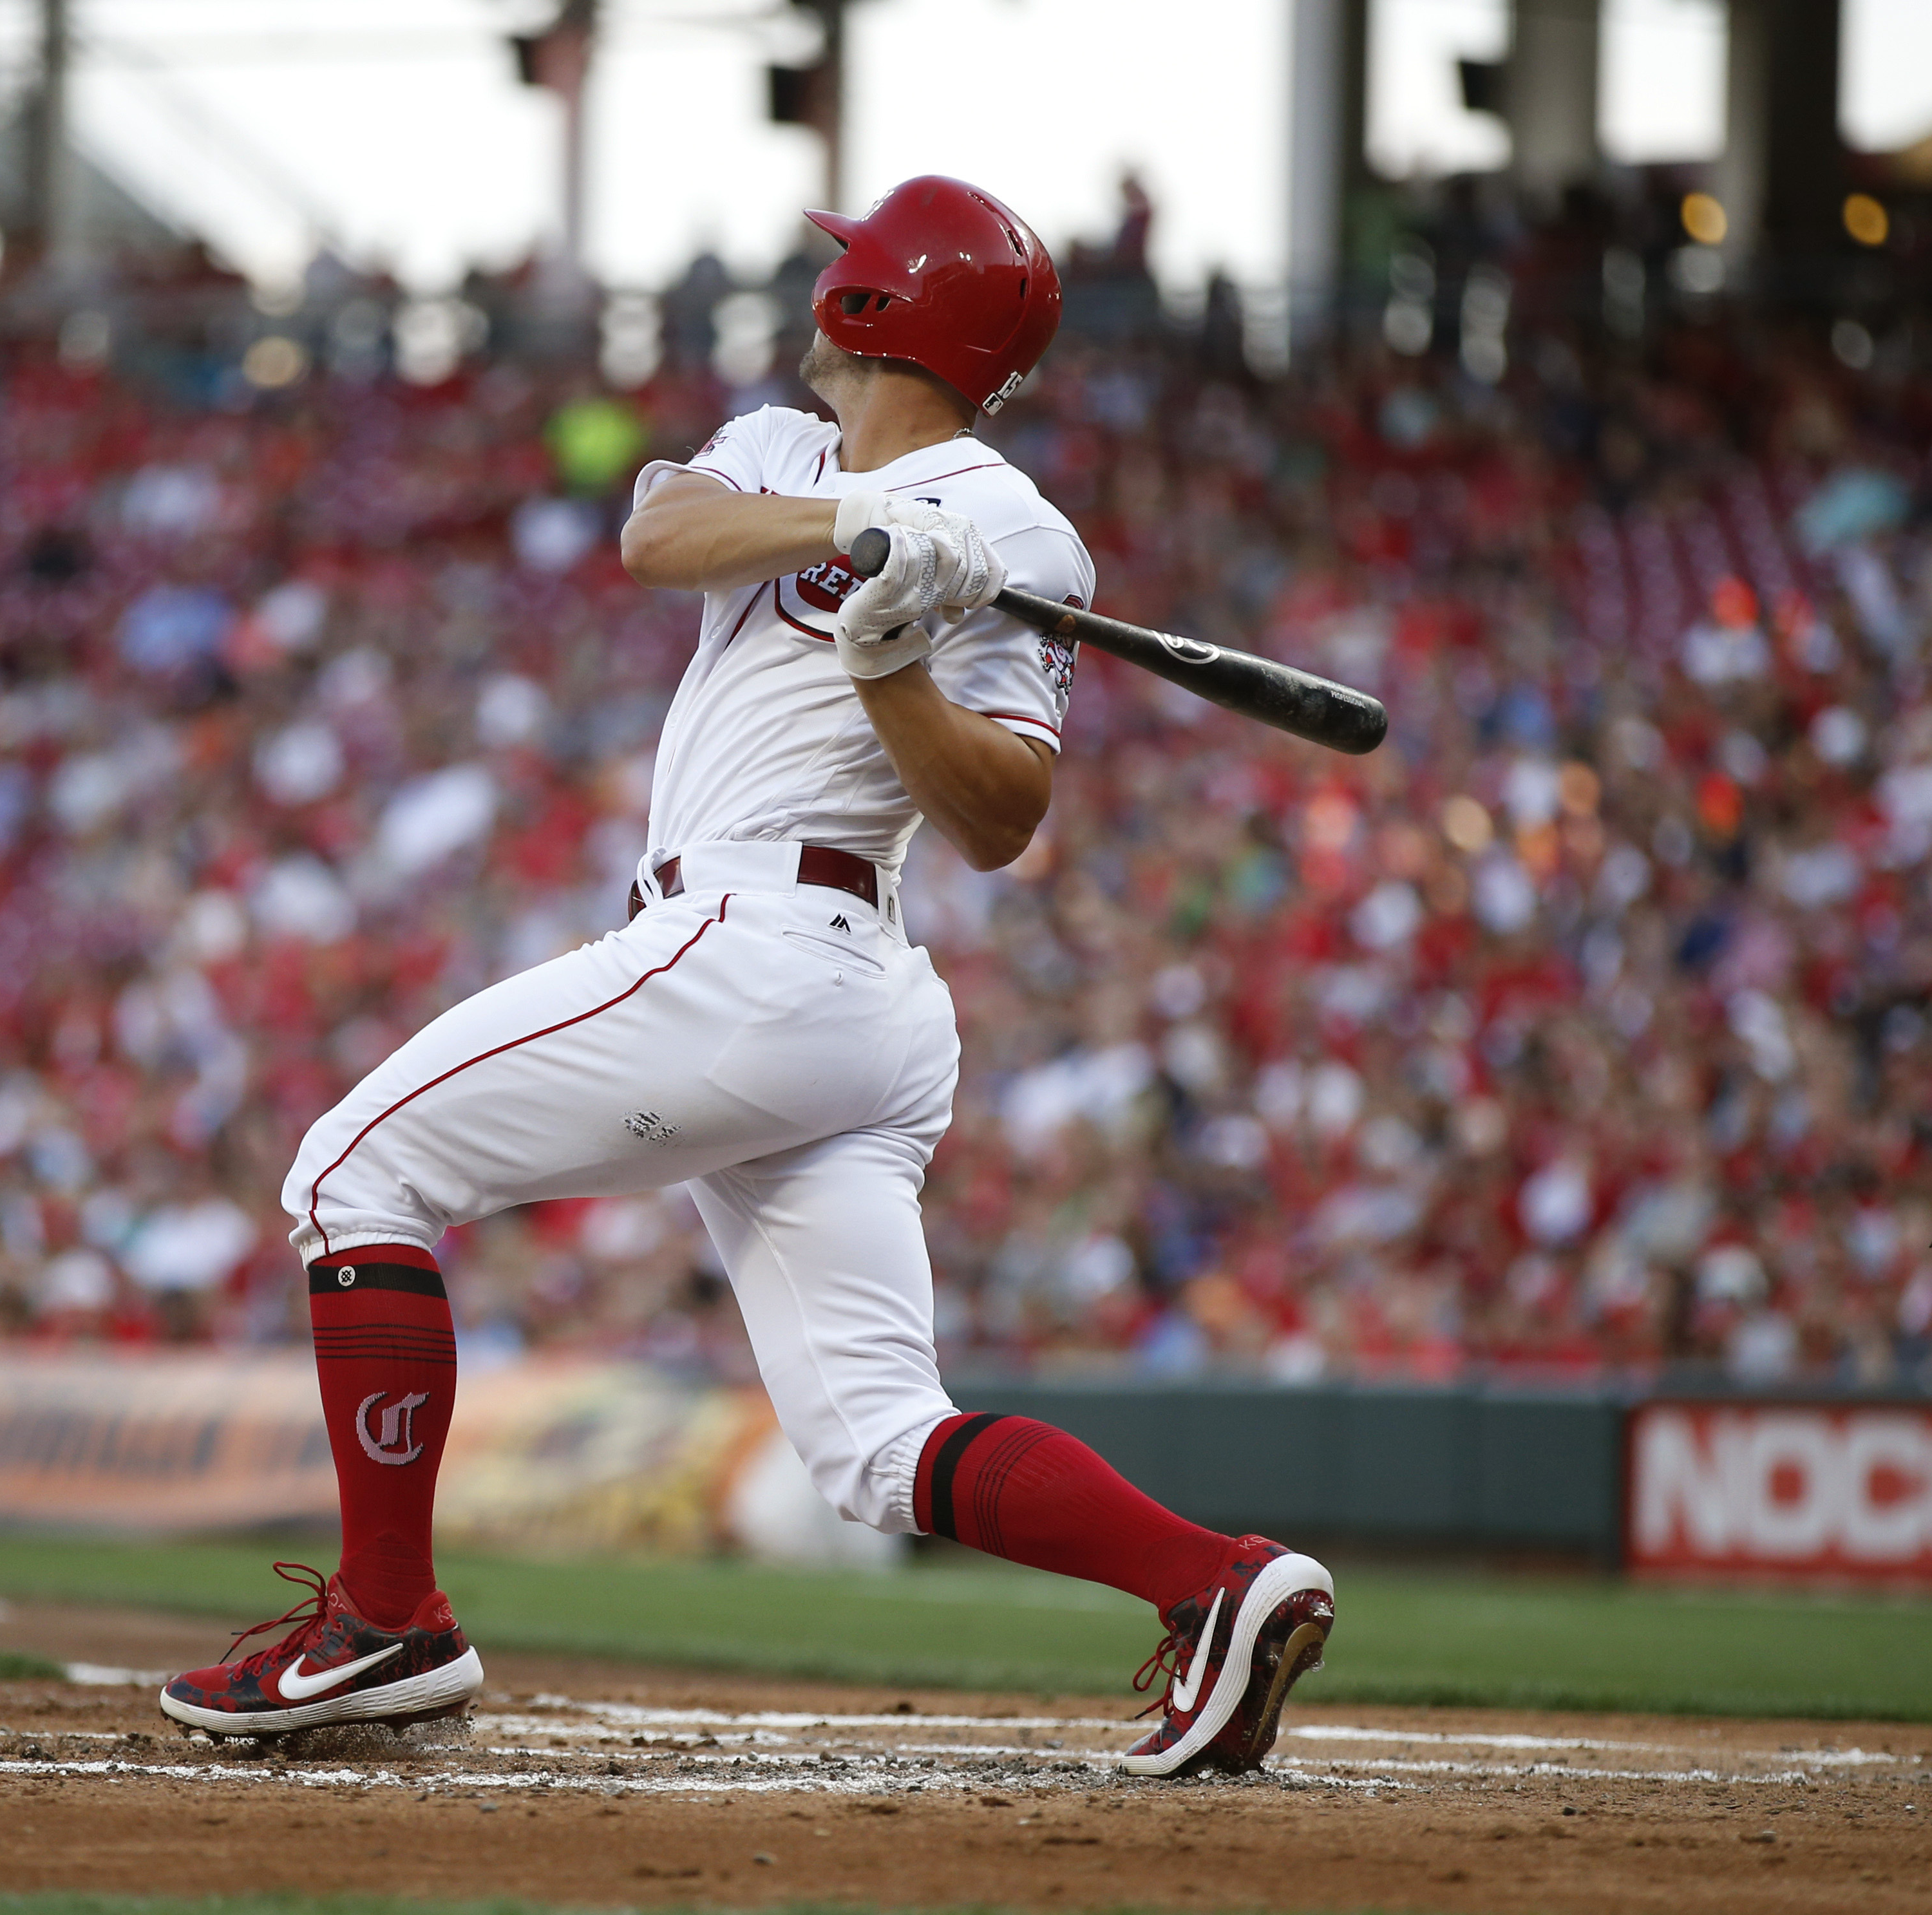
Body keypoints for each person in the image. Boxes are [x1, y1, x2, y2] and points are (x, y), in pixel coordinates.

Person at [158, 176, 1335, 1778]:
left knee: (352, 1172)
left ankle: (388, 1622)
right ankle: (1217, 1583)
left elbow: (998, 819)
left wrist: (896, 664)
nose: (822, 283)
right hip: (814, 1003)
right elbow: (660, 535)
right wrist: (849, 527)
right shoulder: (784, 450)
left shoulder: (1018, 531)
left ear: (882, 306)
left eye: (849, 265)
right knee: (875, 1445)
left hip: (773, 954)